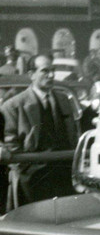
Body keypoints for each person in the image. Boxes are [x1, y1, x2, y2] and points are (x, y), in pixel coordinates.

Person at [1, 53, 80, 207]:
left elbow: (72, 136)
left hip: (64, 178)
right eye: (45, 71)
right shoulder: (13, 106)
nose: (51, 75)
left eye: (53, 70)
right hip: (33, 183)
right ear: (31, 75)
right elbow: (10, 146)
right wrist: (26, 172)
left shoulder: (64, 100)